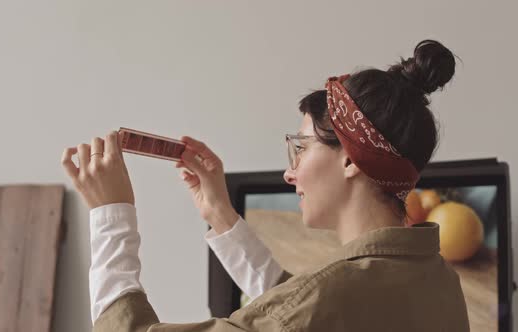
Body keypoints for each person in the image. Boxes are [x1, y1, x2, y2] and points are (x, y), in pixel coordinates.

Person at [61, 39, 470, 331]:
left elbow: (299, 312)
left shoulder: (320, 302)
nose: (289, 173)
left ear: (350, 159)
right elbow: (298, 307)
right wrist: (220, 216)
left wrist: (110, 214)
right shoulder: (438, 281)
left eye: (301, 148)